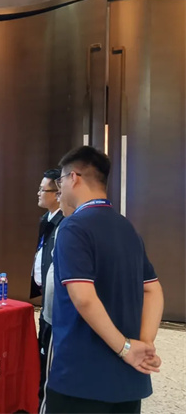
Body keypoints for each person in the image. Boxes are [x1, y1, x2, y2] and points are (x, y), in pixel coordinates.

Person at [45, 146, 164, 414]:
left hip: (81, 377)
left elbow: (84, 298)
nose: (60, 189)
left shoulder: (73, 227)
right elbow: (153, 290)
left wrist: (126, 349)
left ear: (73, 177)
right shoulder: (127, 227)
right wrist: (144, 344)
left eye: (60, 181)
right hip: (127, 380)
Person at [29, 169, 63, 410]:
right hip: (45, 302)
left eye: (43, 189)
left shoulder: (65, 224)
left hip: (56, 306)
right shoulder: (46, 219)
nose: (39, 193)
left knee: (50, 358)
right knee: (42, 352)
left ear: (58, 193)